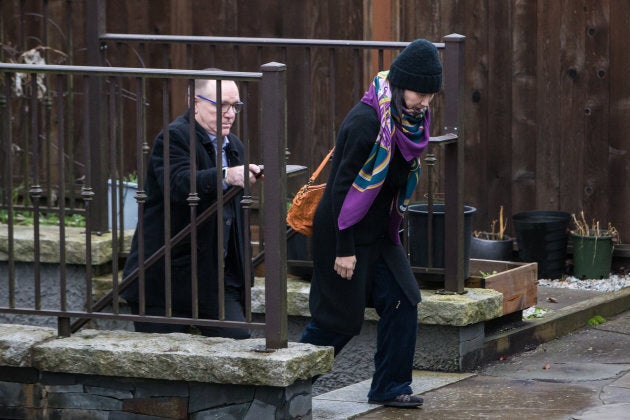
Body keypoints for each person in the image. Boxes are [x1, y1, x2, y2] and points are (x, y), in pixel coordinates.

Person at [299, 39, 442, 408]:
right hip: (342, 233)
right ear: (399, 85)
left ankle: (390, 386)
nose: (425, 103)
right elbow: (340, 190)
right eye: (419, 93)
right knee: (337, 322)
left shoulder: (410, 122)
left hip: (379, 233)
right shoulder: (365, 122)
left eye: (431, 94)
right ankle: (285, 386)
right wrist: (344, 250)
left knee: (403, 299)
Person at [122, 71, 262, 339]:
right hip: (166, 278)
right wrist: (225, 175)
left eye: (235, 106)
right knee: (160, 364)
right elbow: (178, 182)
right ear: (195, 103)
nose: (230, 113)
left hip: (215, 280)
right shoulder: (174, 137)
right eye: (221, 105)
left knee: (239, 345)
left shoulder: (234, 145)